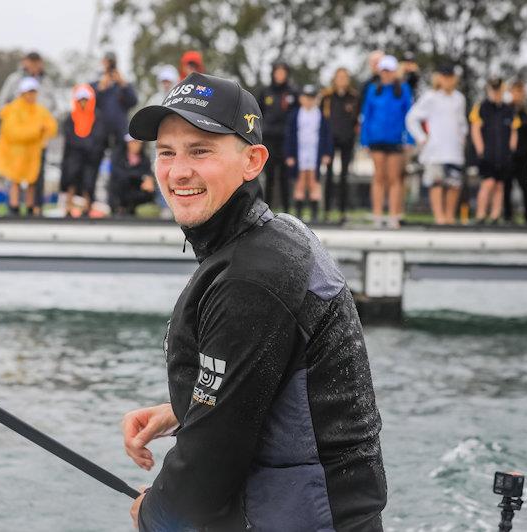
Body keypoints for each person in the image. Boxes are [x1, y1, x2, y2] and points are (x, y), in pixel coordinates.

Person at [125, 71, 386, 531]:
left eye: (200, 150)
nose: (178, 170)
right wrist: (182, 410)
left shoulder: (251, 277)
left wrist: (155, 512)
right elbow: (272, 381)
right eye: (166, 153)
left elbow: (213, 459)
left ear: (253, 160)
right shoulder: (275, 235)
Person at [0, 51, 61, 215]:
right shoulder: (14, 100)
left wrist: (42, 130)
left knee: (35, 178)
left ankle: (34, 208)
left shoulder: (44, 91)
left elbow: (52, 119)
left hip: (36, 147)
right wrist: (33, 130)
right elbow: (6, 116)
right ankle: (14, 207)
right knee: (15, 178)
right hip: (16, 147)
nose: (31, 95)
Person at [405, 64, 468, 225]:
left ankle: (449, 217)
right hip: (435, 151)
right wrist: (421, 137)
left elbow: (462, 123)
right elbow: (411, 118)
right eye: (445, 77)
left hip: (454, 151)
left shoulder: (459, 99)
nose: (448, 80)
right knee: (436, 184)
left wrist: (463, 137)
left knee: (454, 184)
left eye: (451, 77)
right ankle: (439, 218)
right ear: (439, 78)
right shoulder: (430, 97)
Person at [360, 55, 413, 228]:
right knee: (379, 176)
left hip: (396, 139)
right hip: (376, 139)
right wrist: (364, 140)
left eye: (390, 70)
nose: (387, 74)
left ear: (395, 71)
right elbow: (366, 116)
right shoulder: (373, 89)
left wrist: (409, 138)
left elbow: (410, 115)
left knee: (394, 178)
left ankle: (393, 216)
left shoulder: (404, 89)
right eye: (384, 70)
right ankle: (377, 215)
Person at [470, 78, 518, 225]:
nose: (496, 93)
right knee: (488, 183)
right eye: (494, 90)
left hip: (503, 155)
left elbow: (514, 131)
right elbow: (475, 129)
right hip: (488, 154)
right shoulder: (481, 107)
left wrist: (511, 150)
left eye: (499, 90)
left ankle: (495, 215)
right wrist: (481, 151)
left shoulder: (508, 110)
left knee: (499, 185)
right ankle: (481, 214)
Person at [284, 84, 332, 222]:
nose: (309, 101)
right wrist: (289, 155)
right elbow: (290, 135)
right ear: (301, 99)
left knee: (314, 180)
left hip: (315, 151)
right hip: (299, 152)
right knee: (299, 180)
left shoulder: (321, 115)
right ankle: (298, 212)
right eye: (306, 97)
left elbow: (326, 135)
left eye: (312, 98)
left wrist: (326, 153)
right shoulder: (295, 115)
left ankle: (314, 213)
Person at [257, 60, 299, 213]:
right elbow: (257, 113)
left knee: (285, 177)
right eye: (277, 72)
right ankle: (266, 210)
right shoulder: (266, 92)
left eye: (283, 72)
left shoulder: (293, 93)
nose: (280, 75)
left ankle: (287, 211)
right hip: (269, 139)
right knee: (269, 176)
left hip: (286, 140)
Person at [60, 84, 106, 217]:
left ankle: (87, 207)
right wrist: (81, 145)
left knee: (89, 181)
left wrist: (88, 146)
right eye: (81, 100)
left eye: (86, 100)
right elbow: (69, 138)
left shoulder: (97, 116)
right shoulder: (71, 118)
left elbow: (100, 137)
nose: (83, 102)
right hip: (74, 155)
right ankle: (68, 207)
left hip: (91, 156)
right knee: (71, 179)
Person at [320, 68, 359, 222]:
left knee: (344, 175)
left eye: (345, 77)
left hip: (347, 140)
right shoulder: (327, 97)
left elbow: (356, 119)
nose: (342, 80)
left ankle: (343, 212)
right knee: (328, 175)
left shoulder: (354, 97)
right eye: (339, 77)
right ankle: (327, 211)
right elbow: (322, 119)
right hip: (330, 140)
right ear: (334, 79)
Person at [146, 65, 180, 218]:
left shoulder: (181, 99)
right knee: (161, 175)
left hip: (178, 148)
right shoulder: (153, 99)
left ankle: (177, 206)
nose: (166, 83)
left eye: (169, 80)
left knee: (176, 175)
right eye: (164, 80)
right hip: (157, 147)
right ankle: (163, 207)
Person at [91, 51, 138, 149]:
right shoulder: (96, 82)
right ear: (103, 62)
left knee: (120, 158)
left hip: (120, 131)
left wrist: (123, 85)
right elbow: (89, 104)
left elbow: (133, 101)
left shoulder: (123, 83)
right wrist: (100, 88)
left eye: (111, 62)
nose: (109, 65)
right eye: (107, 62)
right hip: (100, 131)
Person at [507, 80, 527, 224]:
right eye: (515, 91)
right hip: (508, 157)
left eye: (520, 92)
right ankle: (508, 217)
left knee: (525, 186)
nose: (518, 95)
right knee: (507, 186)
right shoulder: (506, 110)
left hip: (523, 157)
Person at [110, 134, 156, 215]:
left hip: (137, 194)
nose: (135, 145)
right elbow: (118, 174)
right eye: (133, 142)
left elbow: (147, 173)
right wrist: (141, 177)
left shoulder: (145, 159)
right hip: (120, 194)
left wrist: (149, 180)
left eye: (138, 143)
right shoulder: (118, 157)